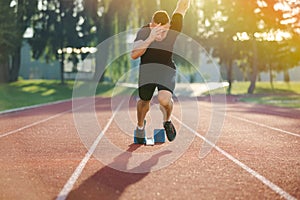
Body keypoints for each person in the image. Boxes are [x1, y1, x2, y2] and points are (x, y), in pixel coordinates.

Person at [131, 0, 190, 144]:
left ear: (169, 26)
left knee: (164, 99)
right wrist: (150, 38)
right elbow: (134, 54)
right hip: (147, 70)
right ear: (152, 25)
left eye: (164, 30)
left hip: (166, 69)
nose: (161, 34)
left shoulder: (174, 27)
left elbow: (182, 6)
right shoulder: (144, 32)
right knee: (144, 102)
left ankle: (167, 121)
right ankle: (140, 126)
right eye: (157, 30)